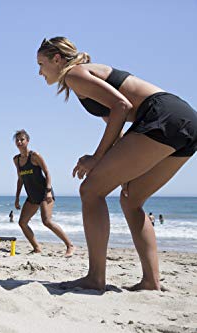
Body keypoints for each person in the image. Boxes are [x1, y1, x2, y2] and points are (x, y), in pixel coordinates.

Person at [37, 37, 197, 290]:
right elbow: (118, 131)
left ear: (57, 59)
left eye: (41, 64)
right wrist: (122, 173)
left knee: (90, 190)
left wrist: (96, 157)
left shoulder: (75, 75)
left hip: (161, 115)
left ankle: (95, 278)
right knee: (131, 198)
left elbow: (122, 106)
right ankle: (151, 282)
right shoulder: (85, 80)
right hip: (185, 121)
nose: (40, 71)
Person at [13, 129, 75, 257]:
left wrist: (48, 191)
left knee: (47, 221)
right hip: (32, 196)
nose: (19, 142)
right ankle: (37, 248)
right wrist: (17, 198)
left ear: (27, 141)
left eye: (22, 139)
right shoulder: (16, 160)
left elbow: (47, 173)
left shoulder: (35, 156)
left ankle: (70, 245)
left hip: (44, 193)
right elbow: (20, 179)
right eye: (17, 140)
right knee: (22, 222)